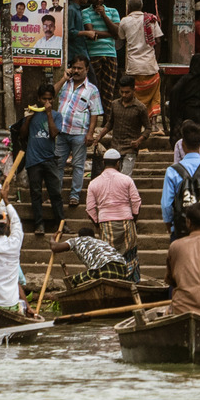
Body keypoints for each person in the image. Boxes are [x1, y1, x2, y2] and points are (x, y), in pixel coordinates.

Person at [83, 148, 144, 280]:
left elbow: (90, 210)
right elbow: (136, 203)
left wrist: (98, 224)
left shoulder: (94, 183)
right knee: (130, 255)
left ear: (104, 163)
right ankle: (132, 282)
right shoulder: (126, 180)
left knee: (109, 257)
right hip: (126, 221)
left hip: (106, 224)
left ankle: (112, 281)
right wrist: (134, 219)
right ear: (118, 163)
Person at [56, 59, 105, 206]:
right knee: (58, 164)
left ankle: (74, 196)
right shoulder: (65, 84)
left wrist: (90, 134)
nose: (76, 71)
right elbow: (51, 93)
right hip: (61, 131)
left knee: (78, 165)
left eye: (79, 68)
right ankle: (56, 194)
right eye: (74, 68)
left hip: (79, 133)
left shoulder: (92, 89)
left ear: (86, 70)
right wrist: (64, 78)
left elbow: (95, 113)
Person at [20, 90, 65, 234]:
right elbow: (22, 134)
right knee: (36, 193)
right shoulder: (32, 114)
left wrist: (49, 113)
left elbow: (53, 133)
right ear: (39, 98)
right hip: (33, 160)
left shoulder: (57, 115)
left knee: (55, 193)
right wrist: (28, 118)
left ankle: (61, 224)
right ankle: (39, 224)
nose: (47, 102)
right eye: (44, 99)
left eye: (50, 99)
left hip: (50, 159)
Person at [100, 79, 152, 177]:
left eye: (127, 92)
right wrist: (99, 136)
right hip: (115, 146)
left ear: (134, 90)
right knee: (112, 176)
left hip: (130, 149)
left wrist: (139, 141)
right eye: (122, 92)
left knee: (125, 177)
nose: (124, 95)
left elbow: (148, 128)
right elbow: (110, 123)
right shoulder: (115, 104)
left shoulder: (140, 108)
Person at [52, 226, 134, 284]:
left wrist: (52, 239)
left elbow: (55, 247)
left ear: (79, 236)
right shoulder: (101, 242)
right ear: (93, 236)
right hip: (123, 269)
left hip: (104, 269)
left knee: (72, 280)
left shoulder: (77, 240)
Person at [81, 0, 121, 88]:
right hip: (93, 54)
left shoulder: (113, 11)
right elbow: (91, 33)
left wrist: (104, 15)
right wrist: (111, 34)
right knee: (93, 87)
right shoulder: (85, 12)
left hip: (110, 54)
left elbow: (117, 31)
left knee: (108, 89)